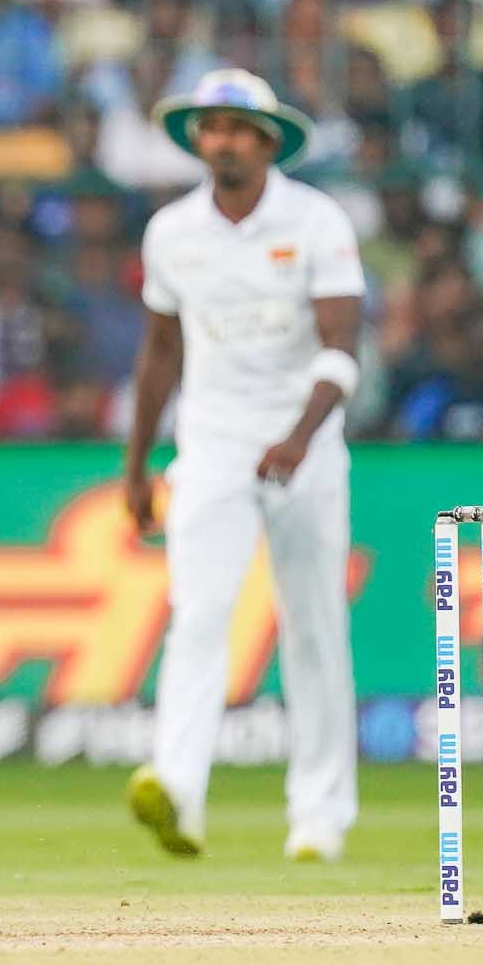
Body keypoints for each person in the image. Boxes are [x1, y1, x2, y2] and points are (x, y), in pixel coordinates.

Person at [121, 68, 366, 863]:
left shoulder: (316, 220)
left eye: (236, 128)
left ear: (267, 141)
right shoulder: (172, 231)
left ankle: (320, 815)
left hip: (307, 441)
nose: (221, 140)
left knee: (314, 625)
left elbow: (343, 347)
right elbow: (161, 352)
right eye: (210, 128)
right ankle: (178, 791)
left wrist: (298, 435)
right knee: (198, 613)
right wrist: (137, 465)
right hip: (214, 441)